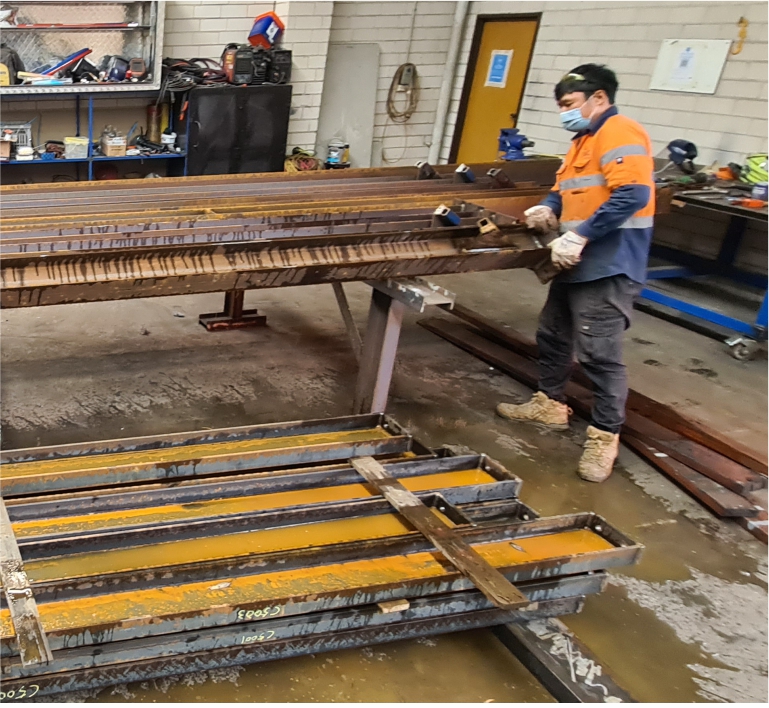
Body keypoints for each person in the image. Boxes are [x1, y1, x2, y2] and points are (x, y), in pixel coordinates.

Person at [496, 64, 654, 483]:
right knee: (552, 334)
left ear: (599, 97)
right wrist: (548, 207)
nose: (564, 112)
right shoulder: (583, 139)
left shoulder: (620, 132)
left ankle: (604, 437)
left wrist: (581, 234)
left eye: (569, 103)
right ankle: (549, 404)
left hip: (608, 263)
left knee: (599, 353)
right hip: (573, 259)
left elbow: (633, 194)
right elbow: (565, 188)